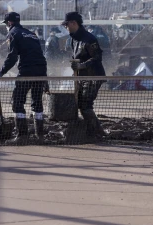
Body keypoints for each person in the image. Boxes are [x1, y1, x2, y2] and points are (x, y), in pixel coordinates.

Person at [0, 12, 47, 145]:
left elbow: (12, 56)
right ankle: (40, 136)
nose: (6, 27)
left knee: (17, 102)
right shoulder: (32, 34)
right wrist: (45, 79)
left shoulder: (13, 33)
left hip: (27, 71)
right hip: (40, 71)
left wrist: (1, 72)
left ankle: (22, 136)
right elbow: (41, 56)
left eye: (6, 24)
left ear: (9, 23)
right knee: (37, 102)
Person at [61, 12, 106, 140]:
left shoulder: (89, 39)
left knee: (85, 105)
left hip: (93, 76)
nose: (65, 27)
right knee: (82, 103)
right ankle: (95, 130)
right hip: (83, 77)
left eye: (66, 24)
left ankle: (95, 132)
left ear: (73, 23)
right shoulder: (74, 39)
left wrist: (81, 66)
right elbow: (76, 57)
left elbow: (97, 57)